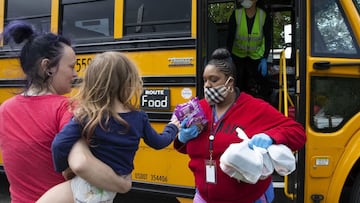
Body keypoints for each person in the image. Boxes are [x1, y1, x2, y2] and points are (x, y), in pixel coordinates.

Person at [0, 21, 131, 203]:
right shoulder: (66, 107)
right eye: (71, 66)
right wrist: (122, 184)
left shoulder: (5, 109)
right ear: (48, 67)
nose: (76, 74)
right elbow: (81, 163)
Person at [37, 51, 180, 203]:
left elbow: (59, 144)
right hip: (113, 184)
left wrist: (63, 169)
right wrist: (172, 128)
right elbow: (158, 143)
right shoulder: (139, 118)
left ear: (92, 83)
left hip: (89, 183)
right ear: (129, 83)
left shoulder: (87, 116)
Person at [173, 48, 306, 203]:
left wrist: (271, 137)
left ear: (230, 82)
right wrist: (182, 138)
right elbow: (185, 147)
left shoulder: (255, 108)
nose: (208, 86)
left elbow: (298, 133)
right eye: (205, 80)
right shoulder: (198, 109)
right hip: (204, 197)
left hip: (247, 198)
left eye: (214, 80)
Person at [227, 0, 272, 101]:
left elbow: (268, 39)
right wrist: (229, 56)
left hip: (256, 57)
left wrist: (265, 58)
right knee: (238, 83)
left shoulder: (263, 16)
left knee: (262, 84)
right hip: (237, 56)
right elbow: (230, 38)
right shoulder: (236, 15)